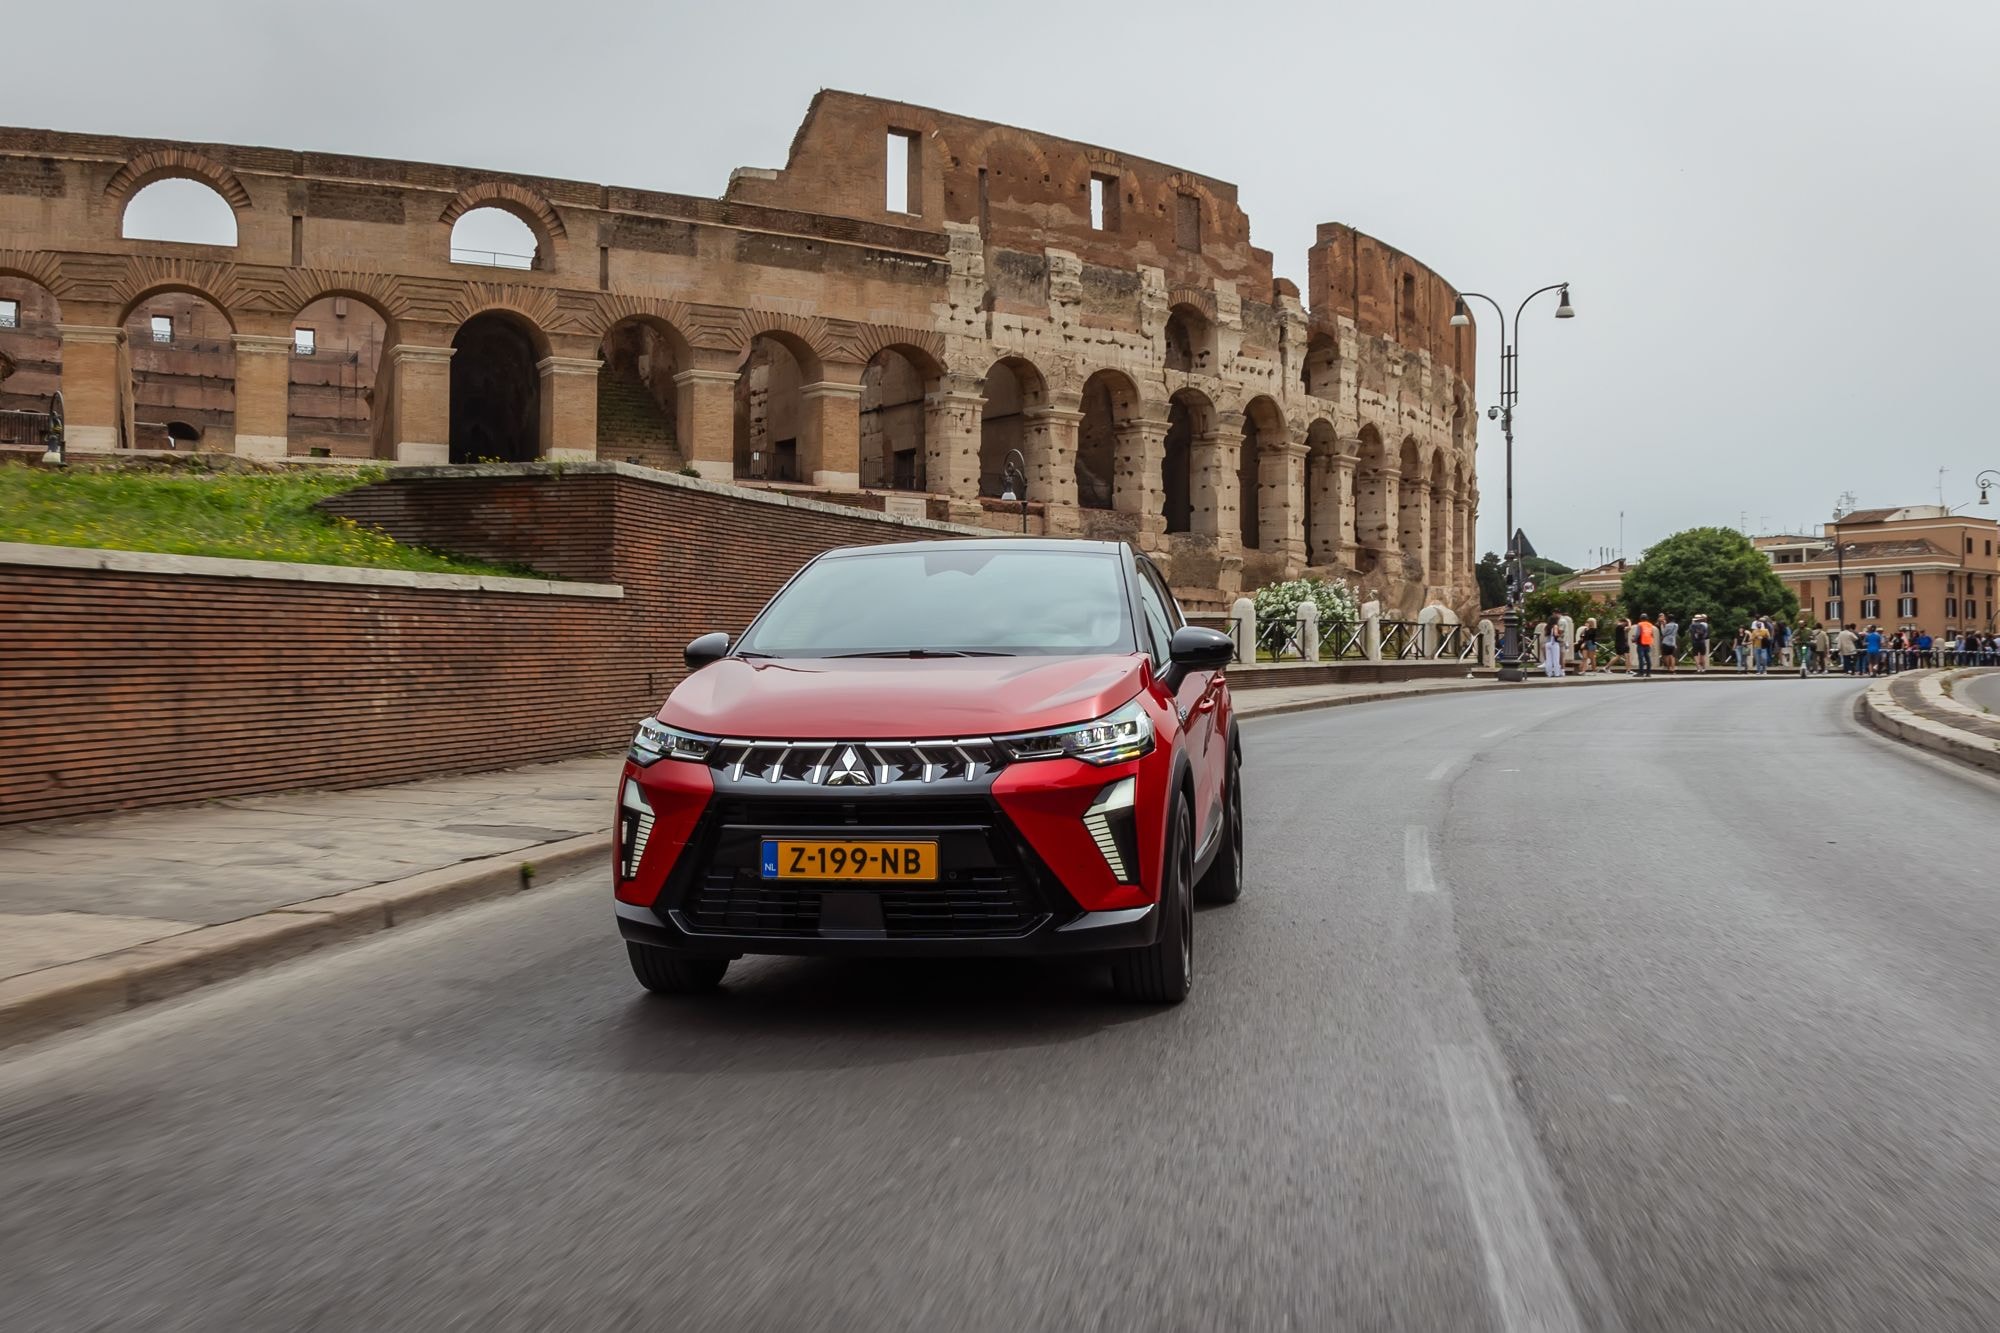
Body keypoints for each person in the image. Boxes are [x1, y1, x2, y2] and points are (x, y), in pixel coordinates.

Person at [1635, 613, 1656, 677]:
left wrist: (1634, 639)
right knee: (1648, 658)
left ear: (1641, 618)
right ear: (1647, 618)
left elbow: (1638, 634)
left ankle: (1641, 673)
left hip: (1641, 643)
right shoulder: (1650, 625)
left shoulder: (1640, 624)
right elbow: (1652, 634)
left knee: (1641, 658)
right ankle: (1648, 673)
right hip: (1647, 643)